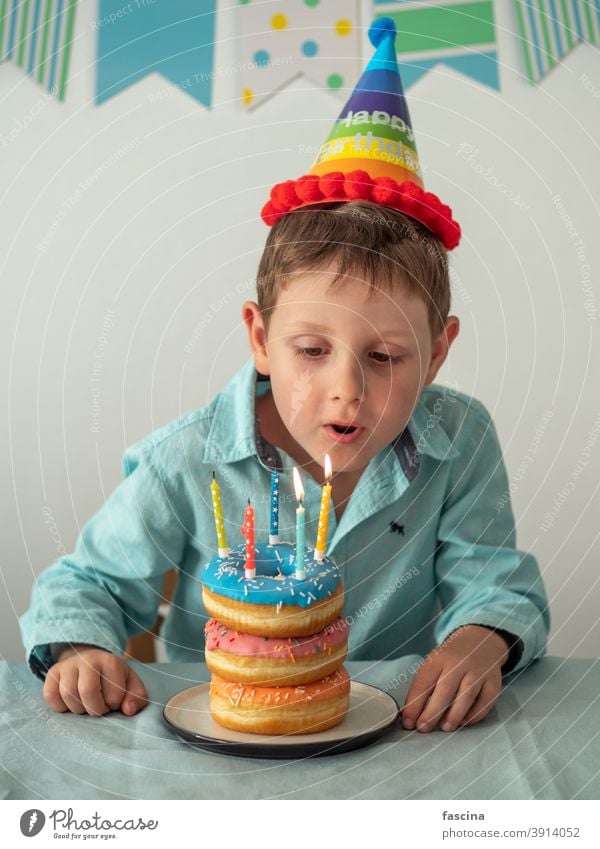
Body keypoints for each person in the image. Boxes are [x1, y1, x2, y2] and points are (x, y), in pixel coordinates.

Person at [20, 18, 549, 732]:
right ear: (261, 338)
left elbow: (495, 577)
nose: (347, 389)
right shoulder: (192, 457)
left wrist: (482, 639)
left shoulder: (459, 440)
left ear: (438, 352)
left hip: (396, 741)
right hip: (222, 734)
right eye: (310, 349)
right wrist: (81, 647)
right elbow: (88, 584)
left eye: (386, 356)